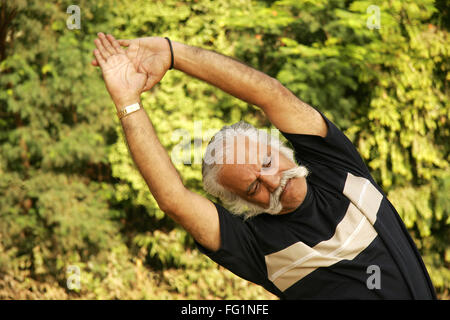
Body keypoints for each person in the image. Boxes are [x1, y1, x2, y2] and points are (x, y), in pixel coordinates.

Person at [91, 33, 436, 299]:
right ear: (243, 204)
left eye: (267, 162)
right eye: (253, 187)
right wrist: (127, 102)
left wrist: (173, 53)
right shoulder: (257, 247)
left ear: (281, 148)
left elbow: (269, 94)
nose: (274, 181)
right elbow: (173, 198)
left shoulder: (335, 165)